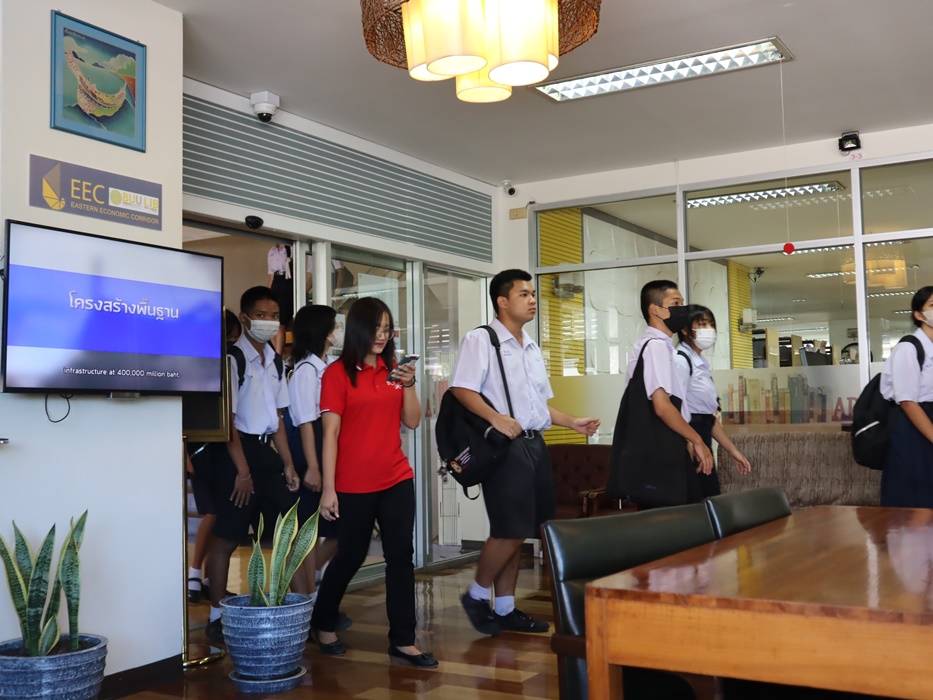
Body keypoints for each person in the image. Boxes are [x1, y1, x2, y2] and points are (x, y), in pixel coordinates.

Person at [451, 269, 600, 636]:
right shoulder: (481, 339)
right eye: (524, 294)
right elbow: (462, 389)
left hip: (534, 443)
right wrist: (496, 418)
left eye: (533, 294)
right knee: (510, 528)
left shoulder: (530, 345)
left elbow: (537, 404)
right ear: (502, 301)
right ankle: (476, 595)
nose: (533, 300)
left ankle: (504, 608)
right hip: (504, 447)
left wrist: (572, 422)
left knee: (520, 530)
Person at [310, 297, 437, 668]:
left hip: (396, 477)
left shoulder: (393, 371)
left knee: (400, 558)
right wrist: (329, 489)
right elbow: (330, 434)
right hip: (352, 484)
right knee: (350, 555)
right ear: (358, 329)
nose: (382, 336)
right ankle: (323, 623)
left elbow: (412, 421)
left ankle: (403, 641)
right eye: (376, 328)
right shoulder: (336, 374)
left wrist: (410, 384)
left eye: (387, 329)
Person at [205, 287, 300, 645]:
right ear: (245, 318)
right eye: (261, 315)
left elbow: (278, 420)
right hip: (236, 455)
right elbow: (227, 422)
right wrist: (242, 472)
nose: (268, 321)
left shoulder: (275, 361)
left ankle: (288, 605)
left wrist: (288, 464)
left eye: (274, 316)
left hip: (265, 453)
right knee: (228, 535)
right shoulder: (232, 359)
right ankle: (217, 615)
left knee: (288, 530)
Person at [285, 304, 349, 630]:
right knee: (305, 534)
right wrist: (312, 466)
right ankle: (307, 602)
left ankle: (315, 592)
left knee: (337, 531)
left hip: (329, 453)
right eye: (334, 326)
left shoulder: (326, 367)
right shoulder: (306, 370)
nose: (337, 331)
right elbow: (306, 423)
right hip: (311, 453)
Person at [623, 281, 713, 506]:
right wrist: (697, 440)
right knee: (676, 518)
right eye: (676, 303)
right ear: (655, 310)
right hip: (660, 453)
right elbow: (662, 406)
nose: (682, 309)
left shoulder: (658, 346)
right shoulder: (655, 346)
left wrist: (687, 440)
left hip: (665, 447)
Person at [187, 310, 242, 604]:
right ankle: (195, 573)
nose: (231, 343)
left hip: (219, 447)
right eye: (228, 337)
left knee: (219, 514)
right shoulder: (190, 362)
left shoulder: (225, 362)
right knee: (212, 513)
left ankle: (206, 578)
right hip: (199, 449)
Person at [674, 304, 751, 497]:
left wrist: (732, 451)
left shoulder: (700, 363)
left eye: (711, 324)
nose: (708, 329)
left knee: (709, 497)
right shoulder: (680, 361)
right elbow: (674, 409)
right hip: (689, 441)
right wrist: (691, 442)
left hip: (702, 437)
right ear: (685, 329)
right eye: (702, 324)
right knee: (698, 501)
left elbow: (707, 417)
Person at [880, 286, 933, 507]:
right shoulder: (908, 348)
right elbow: (908, 402)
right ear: (919, 315)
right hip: (914, 428)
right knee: (915, 502)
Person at [268, 243, 294, 354]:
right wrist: (268, 292)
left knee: (280, 323)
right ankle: (276, 353)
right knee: (271, 322)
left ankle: (278, 355)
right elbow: (271, 276)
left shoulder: (291, 248)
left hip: (288, 282)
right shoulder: (271, 251)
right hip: (276, 282)